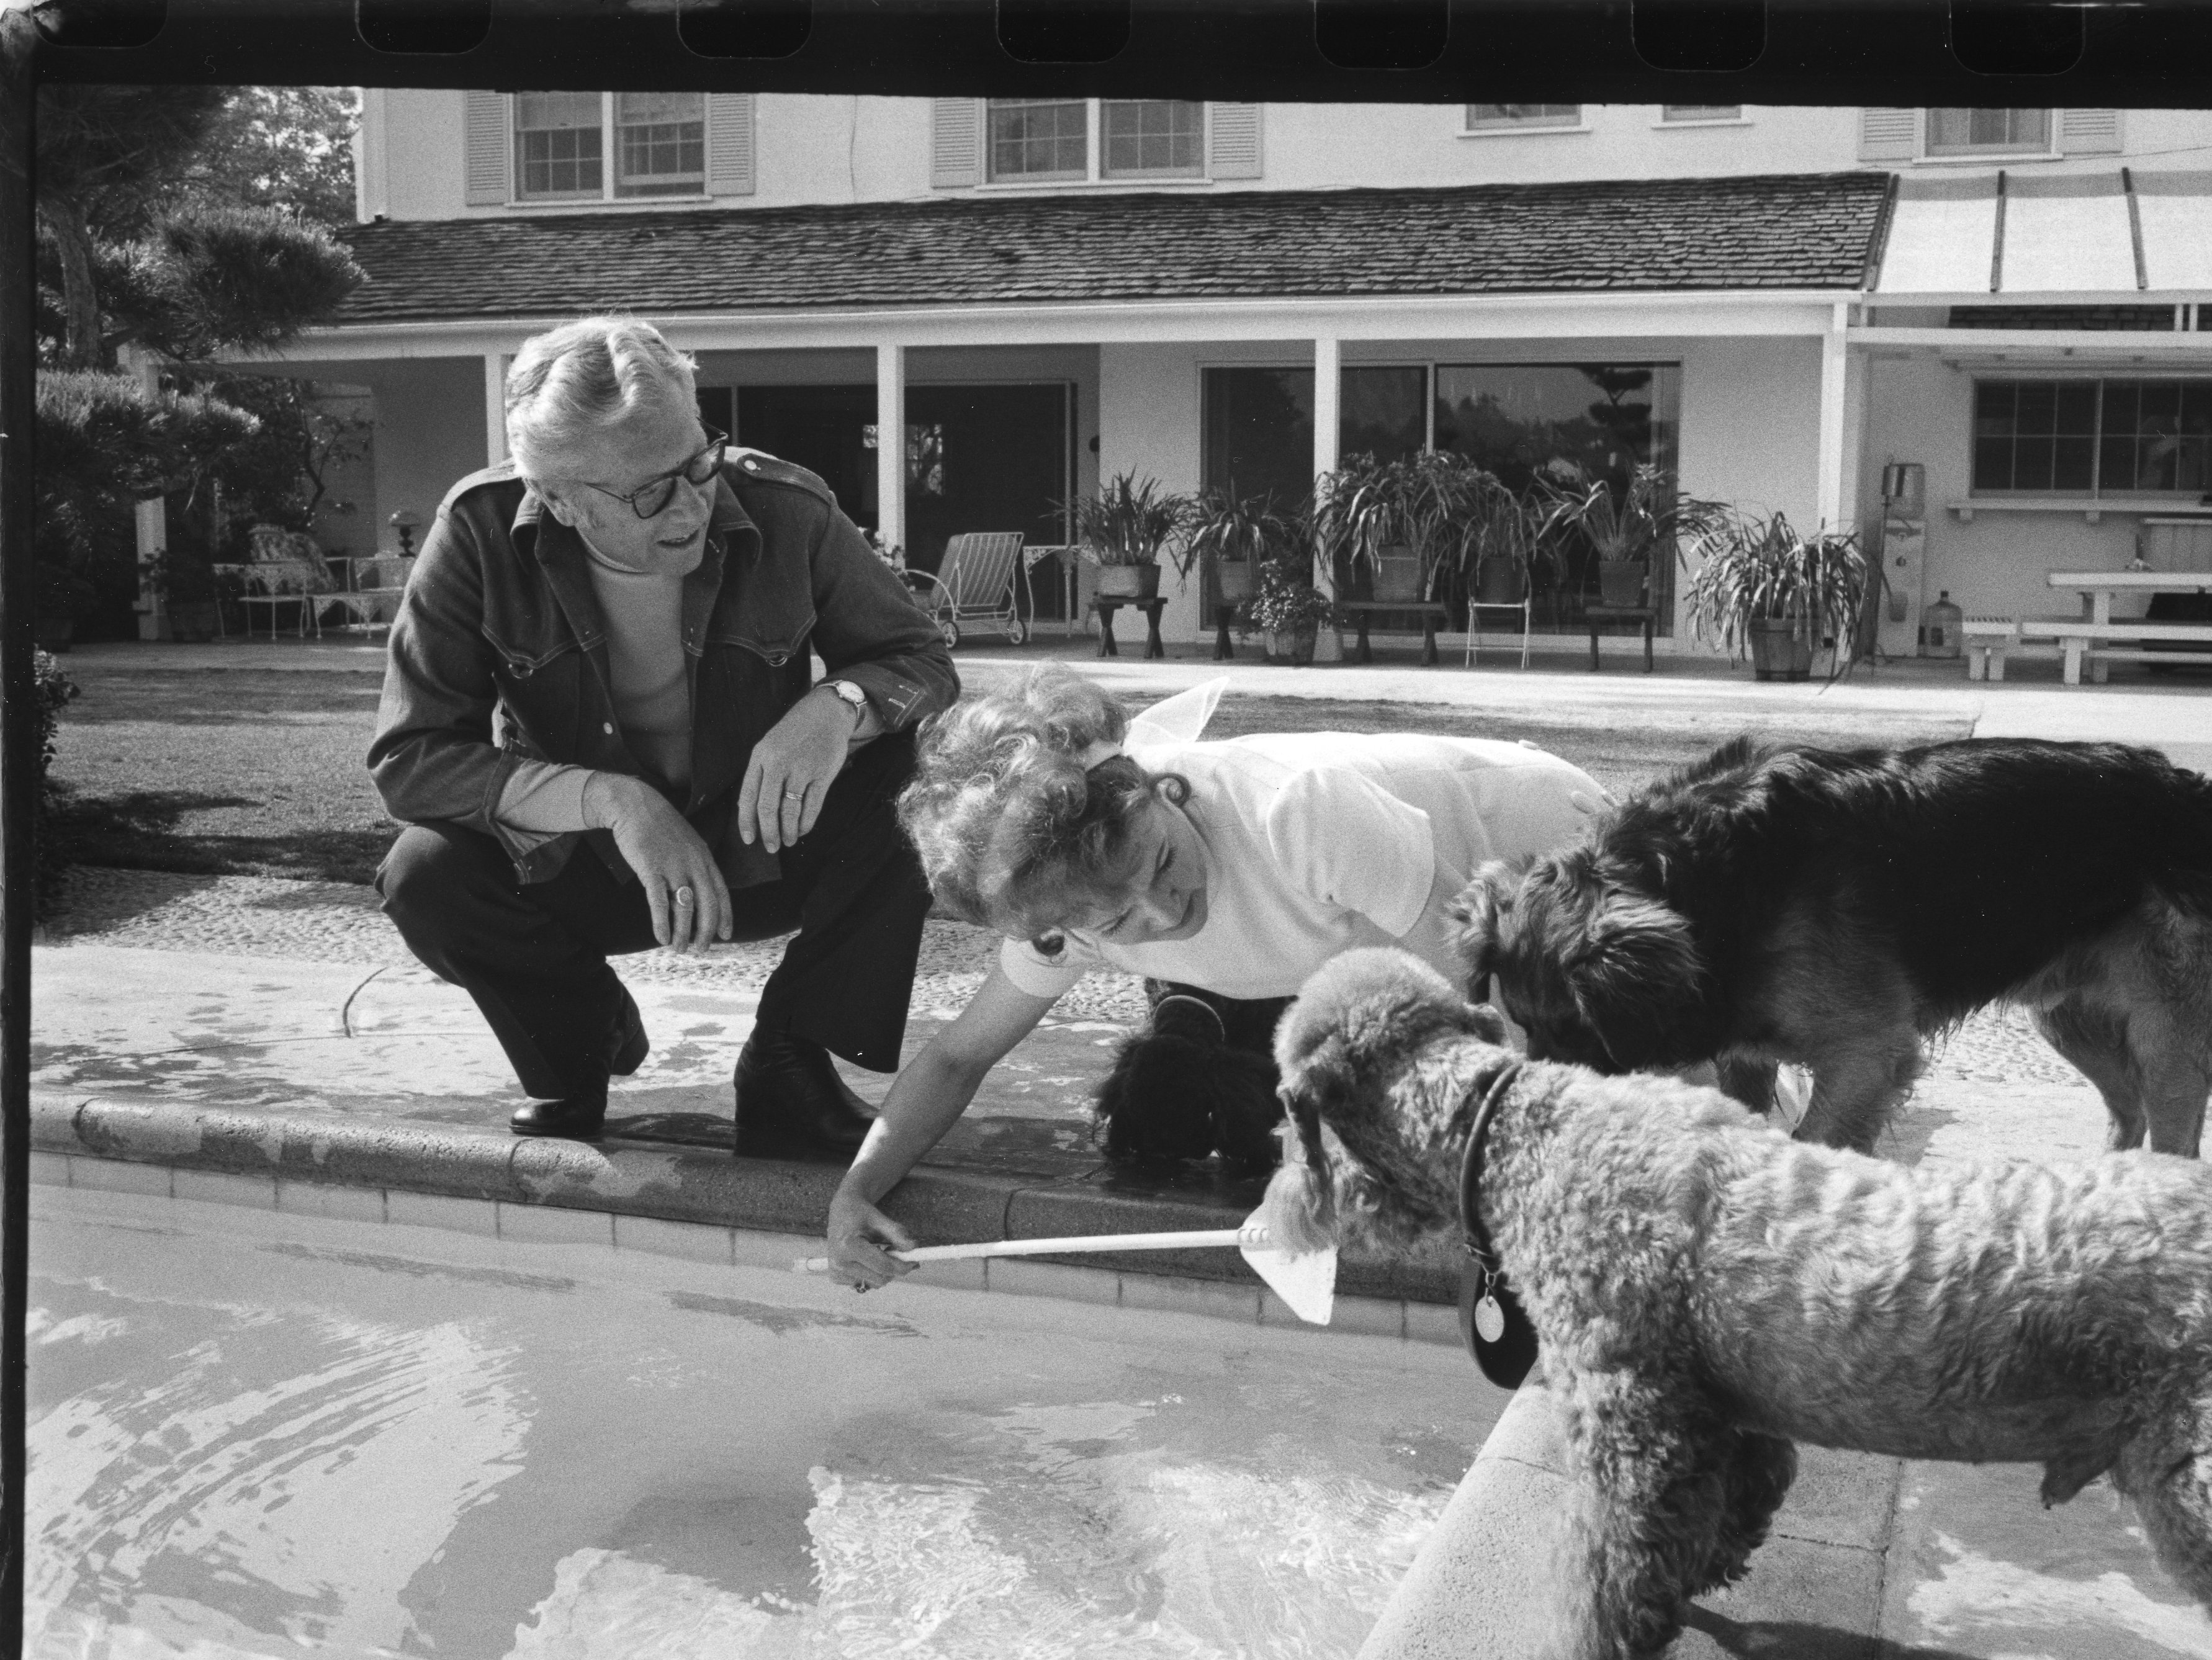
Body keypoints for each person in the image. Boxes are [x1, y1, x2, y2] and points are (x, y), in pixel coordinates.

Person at [369, 315, 959, 1149]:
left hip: (764, 847)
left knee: (923, 773)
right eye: (649, 491)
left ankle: (788, 1060)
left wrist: (838, 707)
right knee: (424, 871)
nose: (690, 504)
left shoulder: (789, 508)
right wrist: (614, 801)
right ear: (561, 500)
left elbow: (919, 659)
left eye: (696, 463)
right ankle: (574, 1038)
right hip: (593, 872)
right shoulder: (478, 532)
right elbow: (410, 760)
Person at [822, 665, 1607, 1289]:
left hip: (1562, 860)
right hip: (1440, 935)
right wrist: (859, 1190)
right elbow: (959, 1056)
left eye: (1159, 861)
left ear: (1156, 788)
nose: (1159, 915)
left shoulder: (1296, 812)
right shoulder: (1069, 906)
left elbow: (1462, 1012)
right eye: (1117, 922)